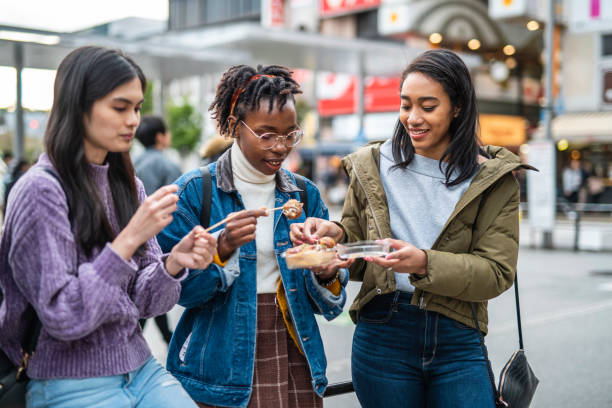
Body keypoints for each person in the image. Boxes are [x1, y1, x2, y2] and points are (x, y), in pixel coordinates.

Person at [290, 49, 534, 408]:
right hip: (383, 333)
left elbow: (496, 273)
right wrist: (336, 239)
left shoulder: (493, 179)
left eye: (428, 106)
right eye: (405, 105)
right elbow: (359, 256)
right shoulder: (371, 165)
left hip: (458, 335)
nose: (413, 118)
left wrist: (422, 262)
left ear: (458, 107)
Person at [0, 46, 217, 408]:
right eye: (120, 107)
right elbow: (64, 317)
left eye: (137, 107)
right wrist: (130, 238)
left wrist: (174, 262)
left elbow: (146, 303)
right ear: (78, 106)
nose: (133, 119)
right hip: (67, 381)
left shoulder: (128, 185)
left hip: (141, 368)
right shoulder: (40, 190)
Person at [157, 64, 350, 408]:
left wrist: (325, 268)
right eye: (266, 135)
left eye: (290, 134)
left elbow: (330, 303)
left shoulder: (304, 195)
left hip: (294, 348)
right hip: (219, 360)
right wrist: (222, 248)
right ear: (234, 126)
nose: (280, 147)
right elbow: (174, 291)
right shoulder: (194, 192)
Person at [133, 115, 183, 345]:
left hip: (134, 237)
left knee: (144, 285)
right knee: (155, 283)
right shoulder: (168, 164)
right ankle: (165, 338)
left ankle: (164, 336)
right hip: (162, 237)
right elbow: (178, 205)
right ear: (160, 136)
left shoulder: (132, 162)